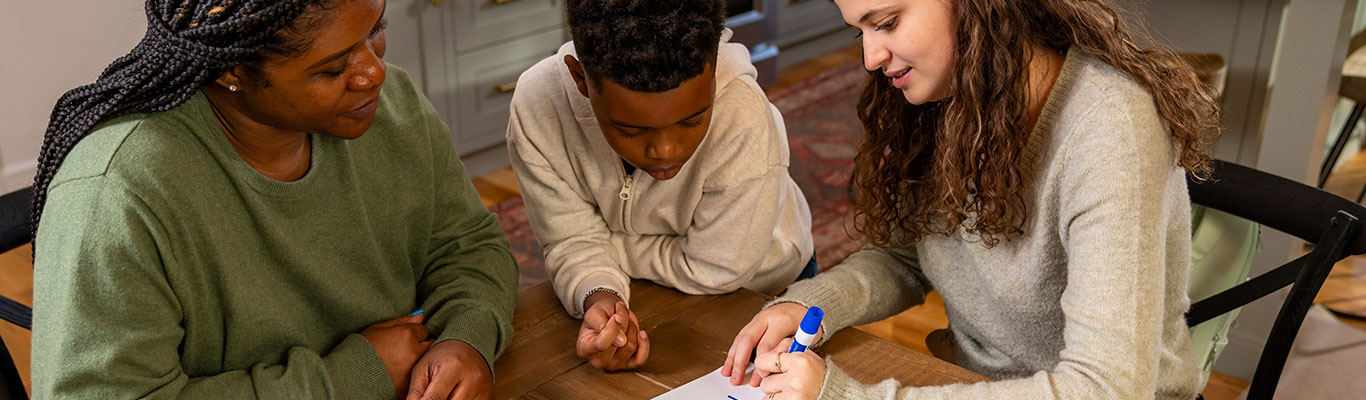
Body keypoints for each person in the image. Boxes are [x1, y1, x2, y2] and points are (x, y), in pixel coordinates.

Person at [722, 0, 1221, 398]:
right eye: (861, 32)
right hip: (969, 383)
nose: (870, 58)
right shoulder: (953, 100)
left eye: (888, 23)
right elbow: (904, 258)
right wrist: (810, 305)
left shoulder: (1113, 129)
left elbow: (1106, 389)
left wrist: (849, 396)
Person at [29, 1, 518, 398]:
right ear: (232, 71)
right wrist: (351, 379)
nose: (374, 72)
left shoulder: (395, 107)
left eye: (376, 31)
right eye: (333, 68)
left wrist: (466, 336)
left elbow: (468, 245)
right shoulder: (115, 196)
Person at [506, 0, 815, 371]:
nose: (666, 151)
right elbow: (569, 240)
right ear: (579, 78)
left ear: (714, 68)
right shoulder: (539, 107)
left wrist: (597, 244)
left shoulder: (743, 117)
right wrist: (601, 296)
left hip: (764, 291)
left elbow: (717, 269)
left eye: (692, 120)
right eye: (630, 129)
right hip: (644, 291)